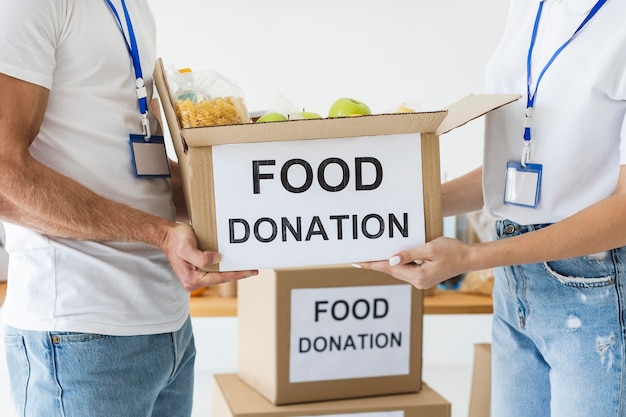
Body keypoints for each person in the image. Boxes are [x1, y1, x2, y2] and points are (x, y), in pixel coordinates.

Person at [358, 0, 626, 416]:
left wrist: (471, 256)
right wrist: (407, 211)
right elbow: (520, 166)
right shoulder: (528, 7)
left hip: (595, 290)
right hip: (514, 284)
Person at [0, 1, 257, 416]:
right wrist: (158, 233)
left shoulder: (133, 8)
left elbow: (142, 167)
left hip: (169, 329)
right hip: (79, 336)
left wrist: (257, 203)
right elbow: (3, 175)